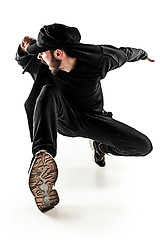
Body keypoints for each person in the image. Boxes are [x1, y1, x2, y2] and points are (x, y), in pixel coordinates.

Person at [15, 23, 154, 213]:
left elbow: (126, 53)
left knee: (143, 146)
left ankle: (100, 146)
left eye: (42, 52)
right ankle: (43, 154)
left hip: (94, 119)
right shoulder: (43, 64)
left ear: (58, 53)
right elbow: (22, 59)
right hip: (62, 117)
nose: (39, 55)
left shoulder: (98, 59)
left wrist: (144, 54)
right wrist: (24, 48)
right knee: (48, 91)